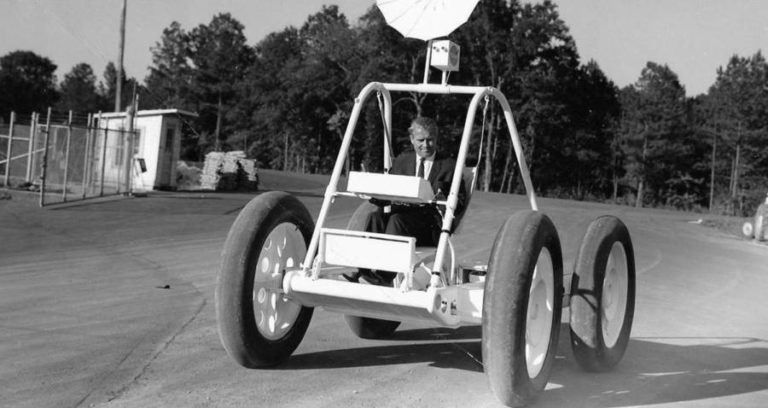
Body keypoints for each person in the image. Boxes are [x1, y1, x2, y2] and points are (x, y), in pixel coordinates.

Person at [345, 116, 466, 285]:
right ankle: (362, 271)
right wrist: (373, 195)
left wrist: (443, 197)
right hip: (402, 216)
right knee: (375, 218)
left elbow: (460, 202)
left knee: (397, 220)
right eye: (421, 140)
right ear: (412, 139)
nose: (426, 145)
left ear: (436, 139)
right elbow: (389, 194)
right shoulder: (403, 161)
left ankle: (384, 276)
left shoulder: (449, 166)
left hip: (430, 226)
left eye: (430, 140)